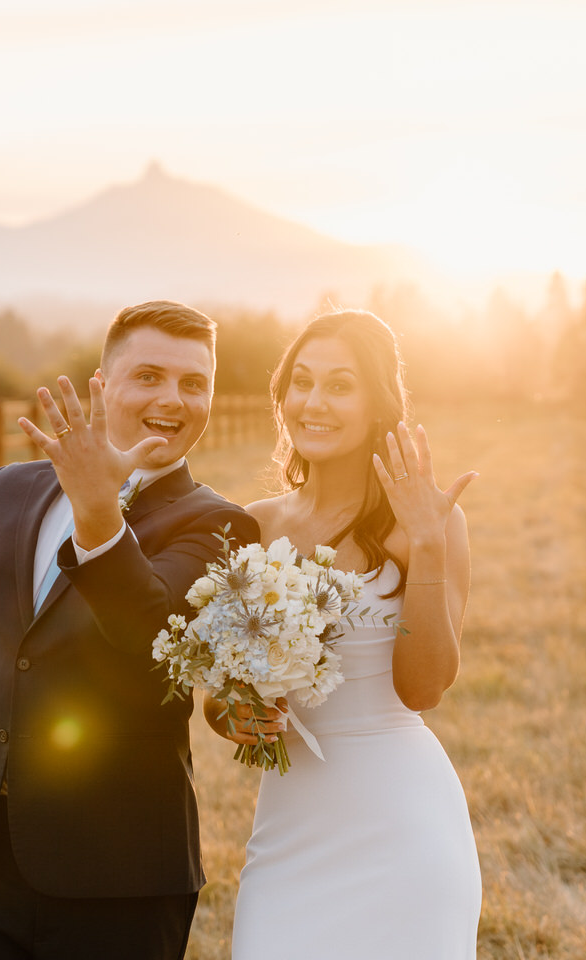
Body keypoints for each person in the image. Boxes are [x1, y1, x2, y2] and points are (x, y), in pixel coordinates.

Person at [0, 301, 259, 960]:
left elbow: (154, 641)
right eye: (149, 375)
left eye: (194, 383)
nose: (174, 400)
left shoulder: (219, 526)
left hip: (119, 877)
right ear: (104, 381)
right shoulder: (6, 491)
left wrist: (99, 514)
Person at [208, 308, 483, 958]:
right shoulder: (252, 526)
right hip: (291, 825)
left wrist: (427, 545)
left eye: (340, 384)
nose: (314, 402)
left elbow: (424, 688)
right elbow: (222, 700)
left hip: (402, 823)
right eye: (302, 382)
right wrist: (240, 714)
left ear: (377, 402)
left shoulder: (429, 523)